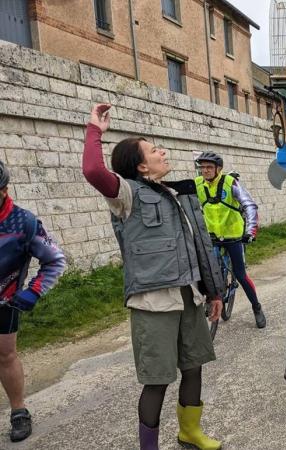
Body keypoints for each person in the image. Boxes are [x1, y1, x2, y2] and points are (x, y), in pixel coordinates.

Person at [82, 104, 224, 450]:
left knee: (194, 367)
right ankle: (150, 447)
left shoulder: (177, 195)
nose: (162, 151)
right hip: (152, 302)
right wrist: (94, 130)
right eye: (153, 149)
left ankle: (190, 431)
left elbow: (198, 248)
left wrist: (214, 291)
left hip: (189, 296)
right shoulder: (126, 195)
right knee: (157, 380)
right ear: (141, 165)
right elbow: (92, 171)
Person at [0, 161, 66, 443]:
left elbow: (54, 260)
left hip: (4, 303)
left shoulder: (24, 222)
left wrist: (34, 291)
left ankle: (19, 411)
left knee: (5, 356)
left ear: (3, 190)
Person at [194, 152, 266, 328]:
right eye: (202, 167)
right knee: (206, 273)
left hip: (234, 236)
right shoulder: (197, 185)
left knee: (240, 275)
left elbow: (249, 205)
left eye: (209, 167)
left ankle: (256, 307)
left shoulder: (230, 183)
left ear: (218, 169)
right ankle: (209, 300)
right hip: (211, 237)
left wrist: (250, 231)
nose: (205, 171)